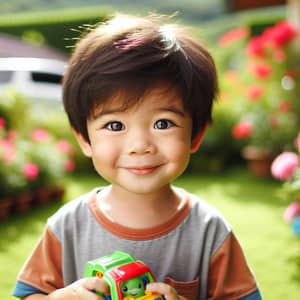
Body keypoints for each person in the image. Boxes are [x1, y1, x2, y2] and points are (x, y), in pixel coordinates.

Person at [13, 13, 262, 300]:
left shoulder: (209, 230)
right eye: (115, 125)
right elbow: (29, 295)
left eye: (163, 123)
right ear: (84, 138)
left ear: (196, 135)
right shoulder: (67, 226)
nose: (140, 145)